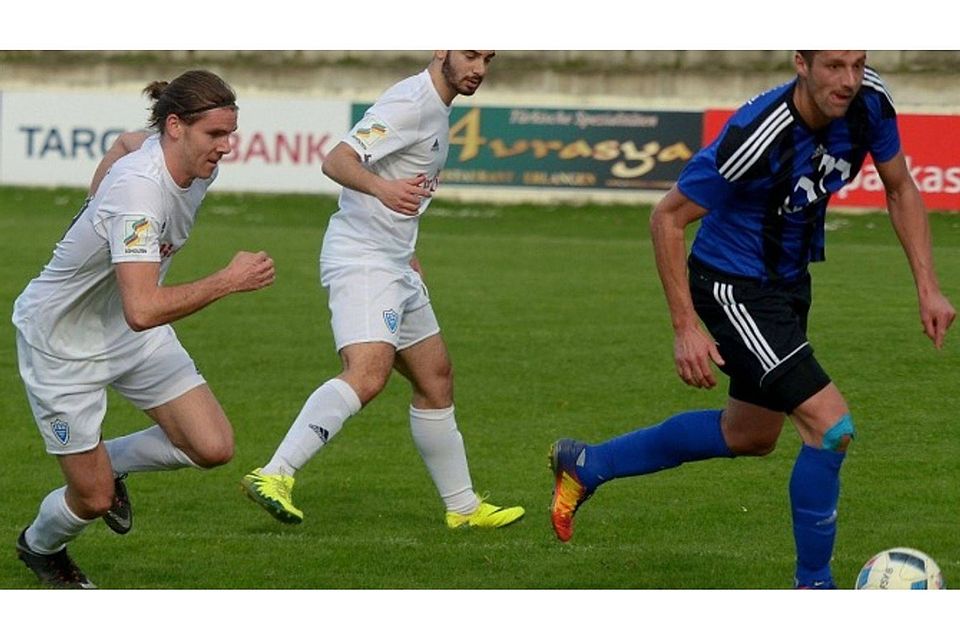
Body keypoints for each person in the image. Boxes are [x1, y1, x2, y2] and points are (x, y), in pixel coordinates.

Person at [548, 50, 955, 588]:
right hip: (731, 286)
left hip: (787, 284)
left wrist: (927, 285)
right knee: (831, 427)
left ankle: (587, 463)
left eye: (857, 64)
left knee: (749, 434)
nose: (848, 80)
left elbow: (900, 185)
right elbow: (666, 219)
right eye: (834, 66)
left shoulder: (870, 101)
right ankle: (814, 586)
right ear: (801, 64)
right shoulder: (757, 135)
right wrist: (685, 327)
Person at [13, 70, 276, 588]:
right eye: (215, 136)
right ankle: (40, 549)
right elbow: (143, 308)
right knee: (91, 499)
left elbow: (126, 141)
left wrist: (92, 207)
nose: (226, 148)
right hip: (62, 344)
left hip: (129, 332)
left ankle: (111, 463)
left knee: (212, 446)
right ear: (175, 127)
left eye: (230, 135)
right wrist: (227, 279)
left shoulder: (185, 163)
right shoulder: (138, 193)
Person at [241, 50, 524, 529]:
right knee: (367, 374)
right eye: (471, 54)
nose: (479, 68)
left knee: (436, 380)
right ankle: (275, 473)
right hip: (363, 260)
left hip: (393, 262)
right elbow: (337, 160)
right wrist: (382, 191)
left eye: (488, 58)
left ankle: (463, 508)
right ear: (442, 49)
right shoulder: (410, 102)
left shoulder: (437, 106)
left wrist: (407, 253)